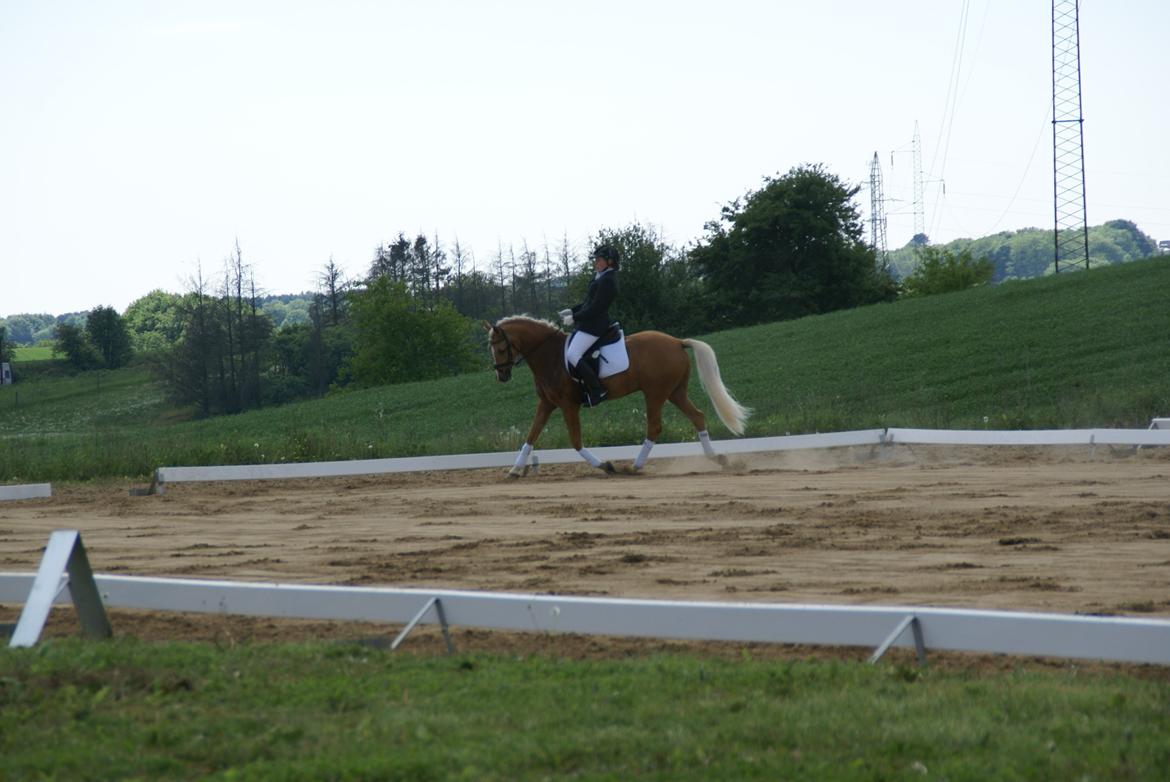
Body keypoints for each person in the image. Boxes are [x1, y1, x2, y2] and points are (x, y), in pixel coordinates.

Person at [559, 244, 619, 406]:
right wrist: (571, 311)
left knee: (572, 355)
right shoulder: (599, 276)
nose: (596, 262)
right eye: (596, 260)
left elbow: (596, 308)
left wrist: (575, 317)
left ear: (610, 261)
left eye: (599, 260)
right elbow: (587, 302)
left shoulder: (608, 280)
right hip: (588, 323)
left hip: (596, 325)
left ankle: (597, 390)